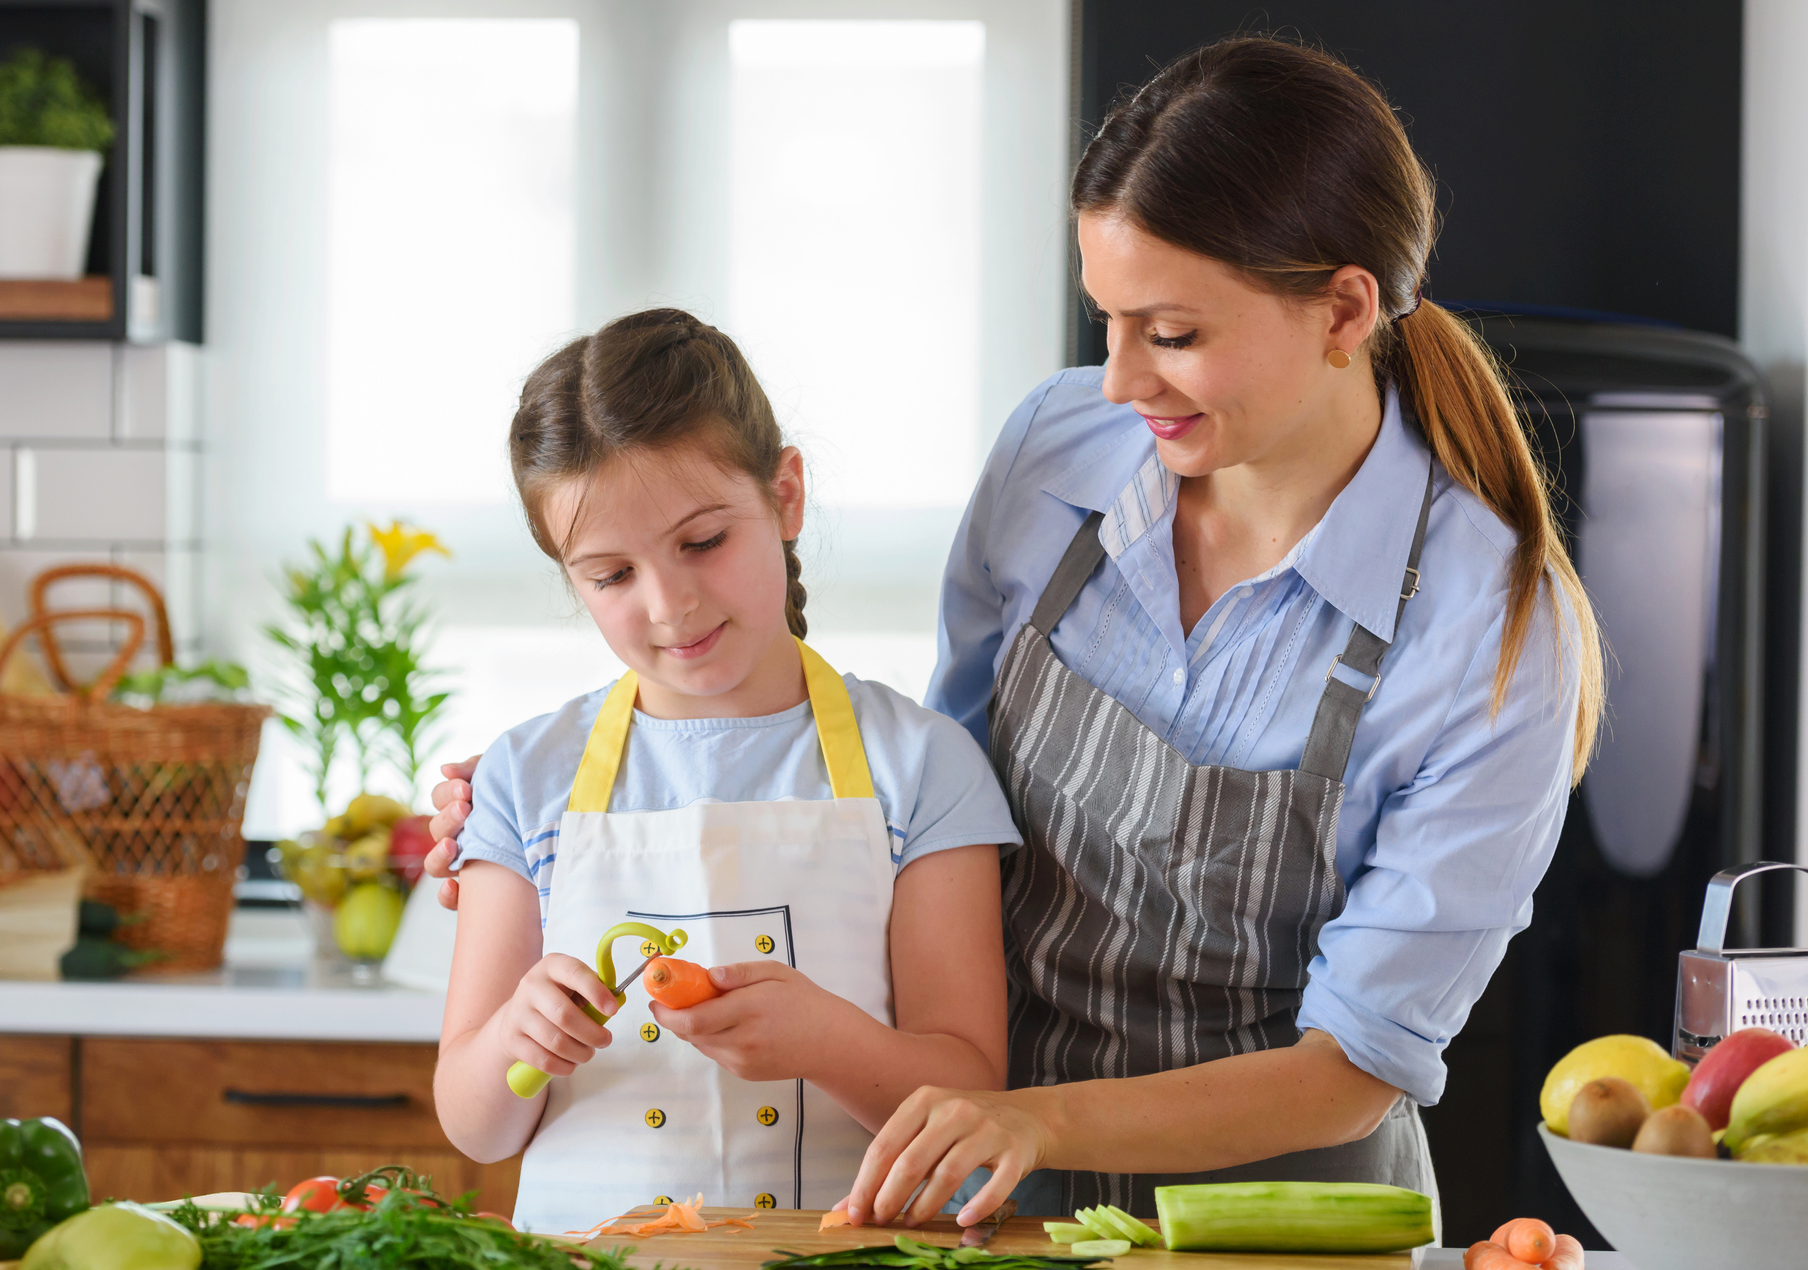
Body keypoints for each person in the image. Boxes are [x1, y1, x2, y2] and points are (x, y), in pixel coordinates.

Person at [427, 35, 1603, 1229]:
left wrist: (1042, 1116)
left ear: (1344, 308)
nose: (1116, 380)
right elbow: (942, 797)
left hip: (1272, 1218)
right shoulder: (1059, 447)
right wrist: (561, 806)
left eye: (1173, 333)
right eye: (1107, 320)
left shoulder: (1489, 626)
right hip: (986, 1186)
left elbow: (1355, 1065)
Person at [430, 309, 1018, 1235]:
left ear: (784, 495)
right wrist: (517, 1038)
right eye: (610, 575)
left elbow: (976, 1097)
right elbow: (476, 1128)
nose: (670, 604)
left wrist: (825, 1039)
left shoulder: (924, 766)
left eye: (702, 542)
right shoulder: (522, 778)